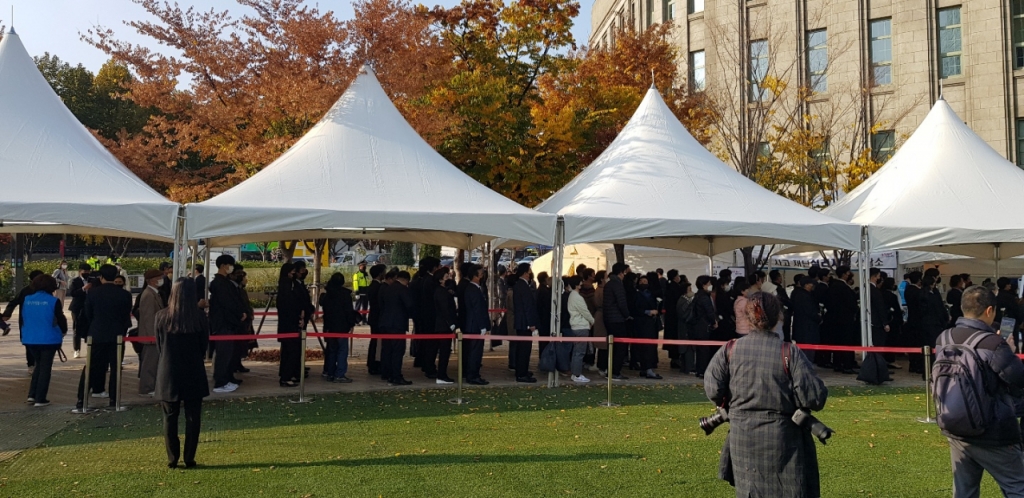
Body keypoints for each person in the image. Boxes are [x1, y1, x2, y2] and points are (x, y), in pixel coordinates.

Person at [705, 292, 828, 497]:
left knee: (750, 492)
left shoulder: (730, 349)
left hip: (743, 436)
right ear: (779, 316)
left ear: (747, 317)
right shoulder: (789, 352)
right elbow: (814, 398)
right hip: (783, 438)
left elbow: (713, 390)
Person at [937, 286, 1024, 497]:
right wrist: (1010, 352)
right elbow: (1017, 378)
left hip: (955, 422)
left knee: (965, 490)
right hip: (992, 429)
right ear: (989, 311)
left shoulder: (945, 338)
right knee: (1017, 486)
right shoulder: (993, 343)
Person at [155, 278, 210, 469]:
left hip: (169, 371)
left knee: (169, 417)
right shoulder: (200, 317)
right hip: (194, 370)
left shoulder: (161, 317)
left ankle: (172, 458)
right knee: (193, 417)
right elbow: (204, 345)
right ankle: (189, 457)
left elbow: (159, 345)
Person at [74, 264, 133, 412]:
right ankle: (114, 400)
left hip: (97, 333)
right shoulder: (124, 294)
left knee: (91, 365)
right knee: (115, 368)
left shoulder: (93, 293)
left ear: (101, 277)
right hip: (117, 335)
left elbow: (88, 314)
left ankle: (82, 399)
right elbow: (126, 315)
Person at [21, 274, 68, 407]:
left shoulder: (27, 299)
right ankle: (41, 398)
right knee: (45, 368)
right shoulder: (53, 301)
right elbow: (60, 318)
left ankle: (32, 394)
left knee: (38, 366)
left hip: (30, 338)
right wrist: (63, 331)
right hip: (49, 338)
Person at [208, 255, 248, 393]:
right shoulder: (218, 283)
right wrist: (238, 314)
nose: (231, 268)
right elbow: (227, 303)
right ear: (223, 265)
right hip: (223, 323)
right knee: (223, 354)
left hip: (229, 323)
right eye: (229, 265)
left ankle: (227, 378)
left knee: (229, 353)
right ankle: (220, 382)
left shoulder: (224, 282)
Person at [378, 271, 416, 386]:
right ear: (406, 280)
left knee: (387, 350)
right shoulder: (403, 289)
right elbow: (409, 304)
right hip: (397, 324)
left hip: (385, 322)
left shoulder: (387, 288)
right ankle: (396, 376)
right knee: (398, 351)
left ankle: (387, 373)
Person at [4, 270, 45, 369]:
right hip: (27, 321)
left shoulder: (46, 291)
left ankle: (38, 363)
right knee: (29, 343)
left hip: (42, 321)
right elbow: (13, 302)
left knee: (41, 342)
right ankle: (31, 364)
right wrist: (7, 314)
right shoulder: (25, 291)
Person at [321, 273, 356, 383]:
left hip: (330, 326)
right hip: (342, 326)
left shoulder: (327, 295)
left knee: (331, 351)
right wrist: (351, 323)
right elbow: (349, 312)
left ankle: (329, 372)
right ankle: (340, 373)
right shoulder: (345, 295)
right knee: (342, 350)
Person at [137, 269, 166, 396]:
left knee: (153, 362)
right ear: (152, 280)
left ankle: (150, 386)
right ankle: (147, 388)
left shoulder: (154, 293)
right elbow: (148, 318)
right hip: (151, 336)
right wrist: (153, 336)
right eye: (159, 277)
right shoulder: (148, 295)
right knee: (149, 363)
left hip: (154, 335)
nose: (162, 279)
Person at [461, 264, 490, 385]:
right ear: (475, 275)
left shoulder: (475, 288)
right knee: (475, 352)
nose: (482, 275)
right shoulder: (472, 289)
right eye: (480, 273)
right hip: (475, 326)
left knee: (475, 352)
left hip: (474, 325)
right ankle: (473, 375)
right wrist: (482, 326)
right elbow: (477, 310)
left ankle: (473, 374)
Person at [510, 263, 539, 383]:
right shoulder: (522, 286)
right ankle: (521, 373)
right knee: (524, 350)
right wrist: (531, 323)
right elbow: (527, 306)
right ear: (525, 273)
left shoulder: (520, 285)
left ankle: (522, 370)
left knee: (523, 348)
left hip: (522, 321)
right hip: (524, 322)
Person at [603, 263, 631, 381]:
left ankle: (610, 370)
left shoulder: (609, 284)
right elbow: (621, 302)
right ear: (621, 272)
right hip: (617, 319)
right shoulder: (617, 285)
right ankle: (615, 371)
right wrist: (627, 315)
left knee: (612, 346)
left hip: (609, 318)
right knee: (620, 347)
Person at [276, 263, 302, 387]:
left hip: (286, 324)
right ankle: (286, 377)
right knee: (291, 351)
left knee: (287, 351)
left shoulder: (283, 286)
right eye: (292, 272)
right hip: (290, 324)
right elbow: (291, 305)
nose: (293, 275)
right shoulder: (287, 287)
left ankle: (285, 374)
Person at [564, 276, 594, 383]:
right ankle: (576, 374)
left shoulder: (572, 296)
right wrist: (592, 321)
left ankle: (575, 373)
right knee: (579, 352)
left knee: (577, 351)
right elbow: (585, 311)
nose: (582, 283)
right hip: (581, 326)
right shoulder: (577, 297)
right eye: (580, 282)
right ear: (577, 284)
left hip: (576, 326)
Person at [632, 275, 662, 380]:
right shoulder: (636, 295)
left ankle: (647, 368)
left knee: (650, 347)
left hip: (651, 323)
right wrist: (648, 312)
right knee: (645, 347)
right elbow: (634, 309)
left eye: (646, 281)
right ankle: (646, 368)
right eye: (642, 281)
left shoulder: (652, 294)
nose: (644, 283)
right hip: (642, 323)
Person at [691, 275, 718, 378]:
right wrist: (714, 322)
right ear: (704, 285)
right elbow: (709, 311)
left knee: (700, 349)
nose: (710, 285)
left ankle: (699, 370)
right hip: (704, 326)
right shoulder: (704, 297)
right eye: (709, 283)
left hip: (698, 325)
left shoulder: (698, 295)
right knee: (704, 350)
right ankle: (702, 370)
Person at [790, 276, 821, 363]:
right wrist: (819, 318)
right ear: (806, 285)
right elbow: (810, 312)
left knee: (803, 349)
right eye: (811, 284)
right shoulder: (805, 296)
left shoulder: (797, 294)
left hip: (800, 326)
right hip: (808, 327)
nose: (812, 286)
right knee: (808, 350)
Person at [366, 264, 387, 375]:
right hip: (377, 318)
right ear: (380, 274)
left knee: (375, 341)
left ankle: (372, 363)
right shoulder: (378, 287)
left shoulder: (373, 285)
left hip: (374, 317)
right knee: (377, 342)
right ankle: (375, 364)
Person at [69, 263, 93, 358]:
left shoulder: (92, 281)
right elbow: (72, 293)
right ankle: (76, 349)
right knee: (76, 329)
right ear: (80, 272)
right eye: (84, 271)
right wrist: (83, 288)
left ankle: (89, 348)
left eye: (88, 271)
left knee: (89, 328)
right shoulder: (75, 281)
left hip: (89, 307)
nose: (86, 273)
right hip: (77, 308)